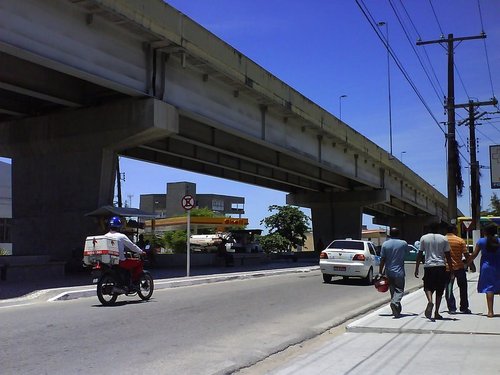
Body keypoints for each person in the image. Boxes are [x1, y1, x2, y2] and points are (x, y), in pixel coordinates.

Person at [414, 223, 453, 320]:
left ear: (429, 229)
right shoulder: (444, 238)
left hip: (429, 266)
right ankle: (436, 312)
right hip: (441, 266)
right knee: (440, 290)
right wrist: (451, 269)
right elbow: (448, 255)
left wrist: (417, 267)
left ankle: (430, 301)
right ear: (439, 229)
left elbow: (419, 254)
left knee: (427, 286)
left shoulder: (424, 238)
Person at [467, 224, 500, 318]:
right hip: (498, 266)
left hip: (486, 267)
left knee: (489, 289)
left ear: (485, 232)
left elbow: (474, 254)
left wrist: (468, 262)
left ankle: (490, 312)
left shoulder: (481, 241)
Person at [105, 216, 145, 290]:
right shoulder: (121, 236)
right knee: (138, 262)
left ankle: (125, 282)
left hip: (108, 261)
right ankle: (133, 283)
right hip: (120, 261)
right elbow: (132, 246)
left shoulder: (105, 236)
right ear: (119, 226)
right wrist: (141, 252)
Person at [379, 227, 408, 318]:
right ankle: (394, 303)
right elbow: (407, 254)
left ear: (390, 234)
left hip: (388, 271)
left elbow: (382, 259)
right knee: (399, 290)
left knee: (393, 291)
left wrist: (380, 272)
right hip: (399, 271)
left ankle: (396, 311)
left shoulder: (385, 244)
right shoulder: (403, 243)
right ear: (398, 234)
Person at [445, 224, 471, 314]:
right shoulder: (460, 240)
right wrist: (471, 264)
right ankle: (464, 307)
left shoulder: (443, 240)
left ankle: (451, 308)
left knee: (449, 288)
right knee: (463, 288)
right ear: (454, 230)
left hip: (447, 268)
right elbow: (466, 254)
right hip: (459, 267)